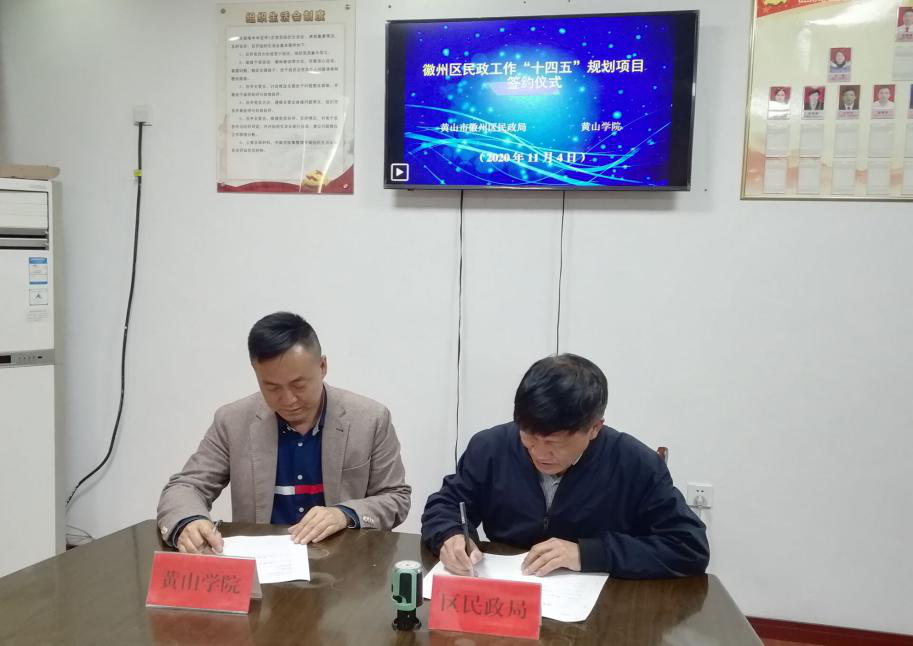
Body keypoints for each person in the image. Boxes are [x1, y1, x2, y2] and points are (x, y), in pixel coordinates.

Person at [421, 354, 709, 579]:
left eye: (553, 442)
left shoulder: (635, 464)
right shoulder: (490, 447)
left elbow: (688, 547)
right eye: (529, 437)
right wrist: (450, 535)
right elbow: (446, 504)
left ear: (594, 428)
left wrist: (587, 554)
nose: (539, 453)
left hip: (601, 608)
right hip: (511, 593)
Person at [157, 312, 411, 554]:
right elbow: (186, 486)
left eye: (298, 385)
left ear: (322, 366)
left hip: (344, 566)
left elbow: (396, 498)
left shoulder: (370, 419)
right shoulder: (232, 421)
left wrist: (345, 514)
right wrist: (188, 522)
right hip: (262, 567)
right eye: (272, 387)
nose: (288, 400)